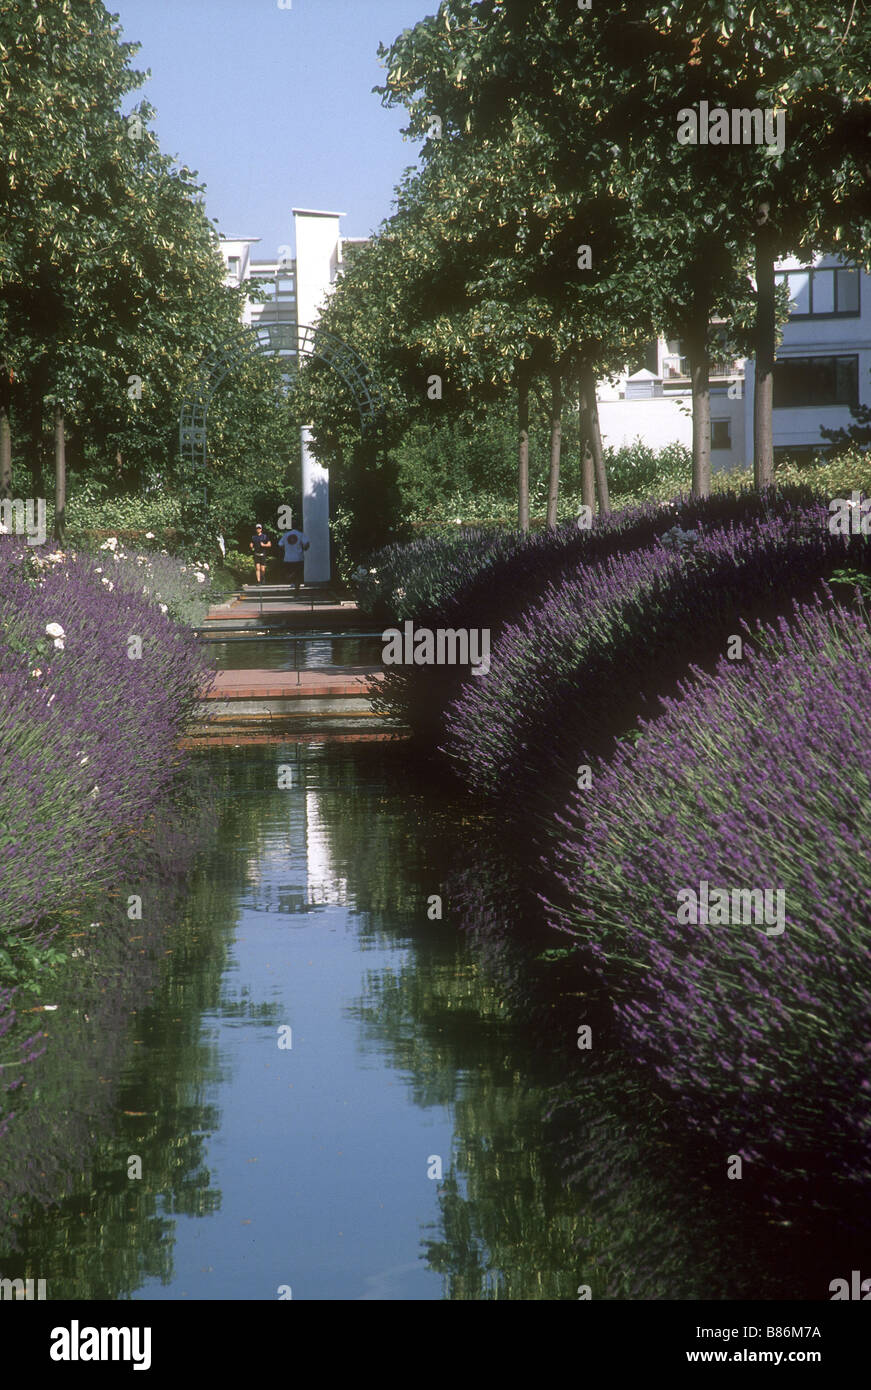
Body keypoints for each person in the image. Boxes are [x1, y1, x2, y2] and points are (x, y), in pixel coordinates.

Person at [277, 524, 310, 590]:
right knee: (298, 574)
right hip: (298, 558)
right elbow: (307, 543)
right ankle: (296, 590)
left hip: (288, 558)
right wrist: (304, 549)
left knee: (290, 572)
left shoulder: (286, 535)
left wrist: (286, 549)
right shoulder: (300, 534)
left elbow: (280, 544)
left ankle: (292, 579)